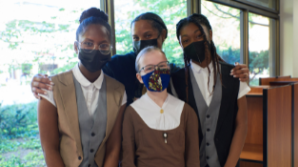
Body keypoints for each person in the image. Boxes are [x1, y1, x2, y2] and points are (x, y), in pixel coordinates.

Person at [30, 11, 250, 104]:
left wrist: (235, 72)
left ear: (162, 36)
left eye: (147, 36)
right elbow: (86, 74)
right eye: (135, 37)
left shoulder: (172, 72)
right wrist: (43, 83)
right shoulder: (117, 65)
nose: (140, 42)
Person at [38, 8, 126, 167]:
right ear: (76, 47)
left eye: (103, 45)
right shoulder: (52, 88)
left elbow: (113, 148)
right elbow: (50, 149)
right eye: (88, 43)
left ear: (110, 48)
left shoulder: (118, 91)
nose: (95, 49)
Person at [171, 14, 249, 167]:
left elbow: (241, 124)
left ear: (210, 35)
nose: (194, 42)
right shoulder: (175, 80)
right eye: (186, 40)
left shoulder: (234, 74)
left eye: (199, 36)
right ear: (180, 44)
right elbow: (176, 134)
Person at [121, 46, 202, 167]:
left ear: (168, 69)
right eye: (149, 68)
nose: (156, 72)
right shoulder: (132, 113)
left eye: (161, 66)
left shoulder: (186, 112)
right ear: (140, 77)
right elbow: (127, 163)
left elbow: (193, 162)